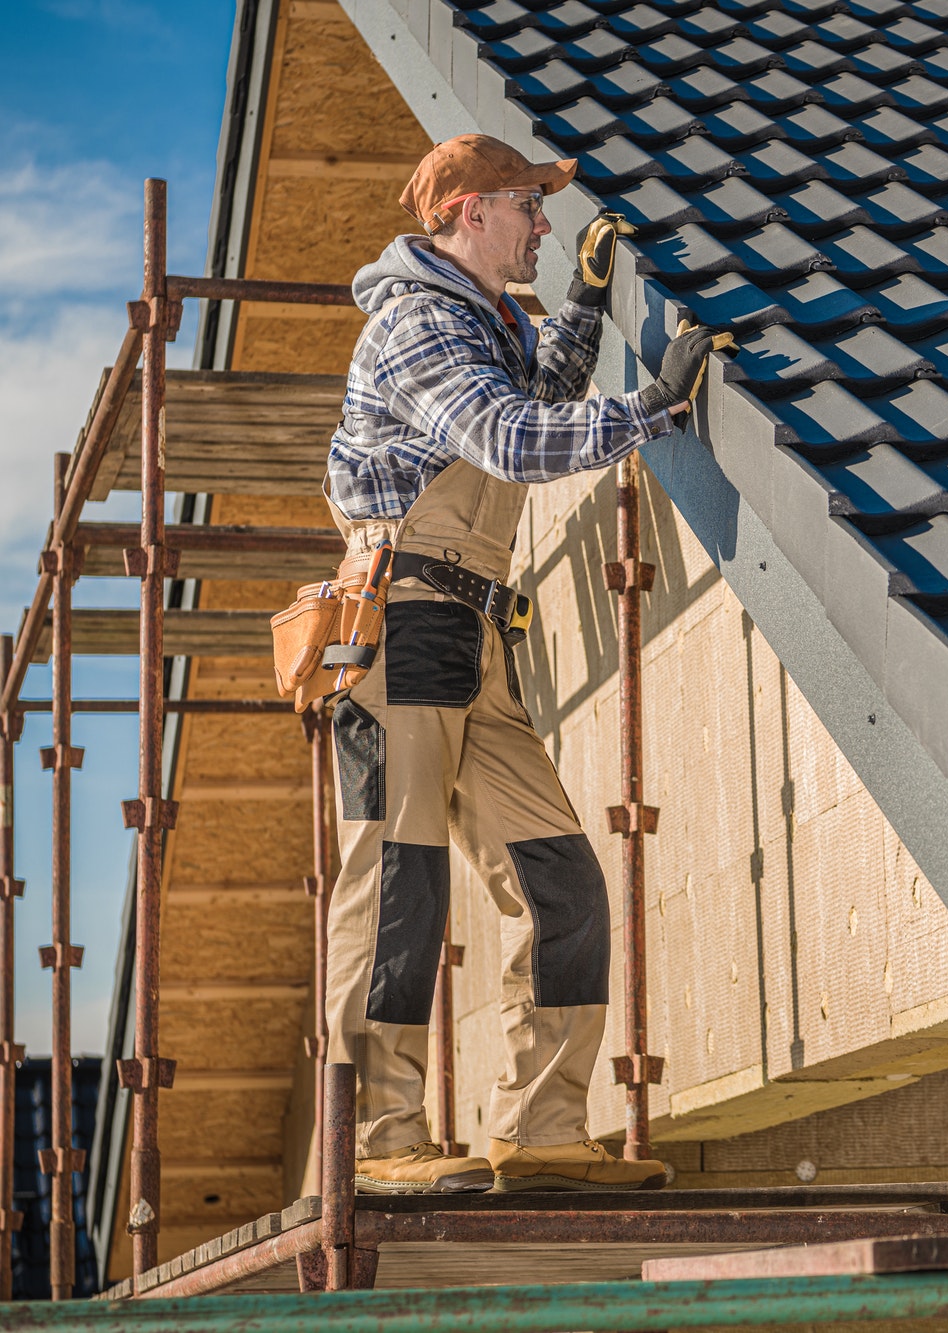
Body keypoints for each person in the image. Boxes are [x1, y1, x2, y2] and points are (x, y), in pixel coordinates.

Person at [320, 133, 725, 1193]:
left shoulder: (481, 318)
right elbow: (508, 438)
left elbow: (539, 390)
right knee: (398, 885)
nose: (543, 224)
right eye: (526, 206)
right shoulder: (413, 322)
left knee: (562, 884)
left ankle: (541, 1133)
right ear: (464, 212)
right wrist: (652, 410)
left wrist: (586, 306)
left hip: (470, 633)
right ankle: (374, 1145)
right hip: (402, 620)